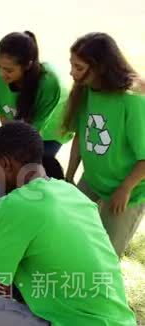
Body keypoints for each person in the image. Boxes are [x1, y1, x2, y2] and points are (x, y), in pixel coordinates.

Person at [0, 122, 136, 326]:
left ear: (6, 165)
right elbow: (32, 281)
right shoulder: (72, 193)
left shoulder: (16, 205)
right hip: (115, 320)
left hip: (72, 321)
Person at [63, 32, 145, 258]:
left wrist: (125, 188)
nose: (72, 72)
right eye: (72, 65)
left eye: (78, 67)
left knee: (105, 254)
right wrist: (69, 176)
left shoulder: (132, 98)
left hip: (127, 190)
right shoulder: (87, 90)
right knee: (67, 231)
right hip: (92, 180)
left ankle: (98, 291)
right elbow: (81, 136)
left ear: (100, 68)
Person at [0, 31, 72, 232]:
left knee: (29, 182)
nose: (2, 74)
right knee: (3, 174)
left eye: (9, 70)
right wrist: (3, 152)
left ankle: (23, 235)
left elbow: (30, 136)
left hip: (47, 134)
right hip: (18, 127)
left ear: (28, 66)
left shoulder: (49, 83)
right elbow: (4, 113)